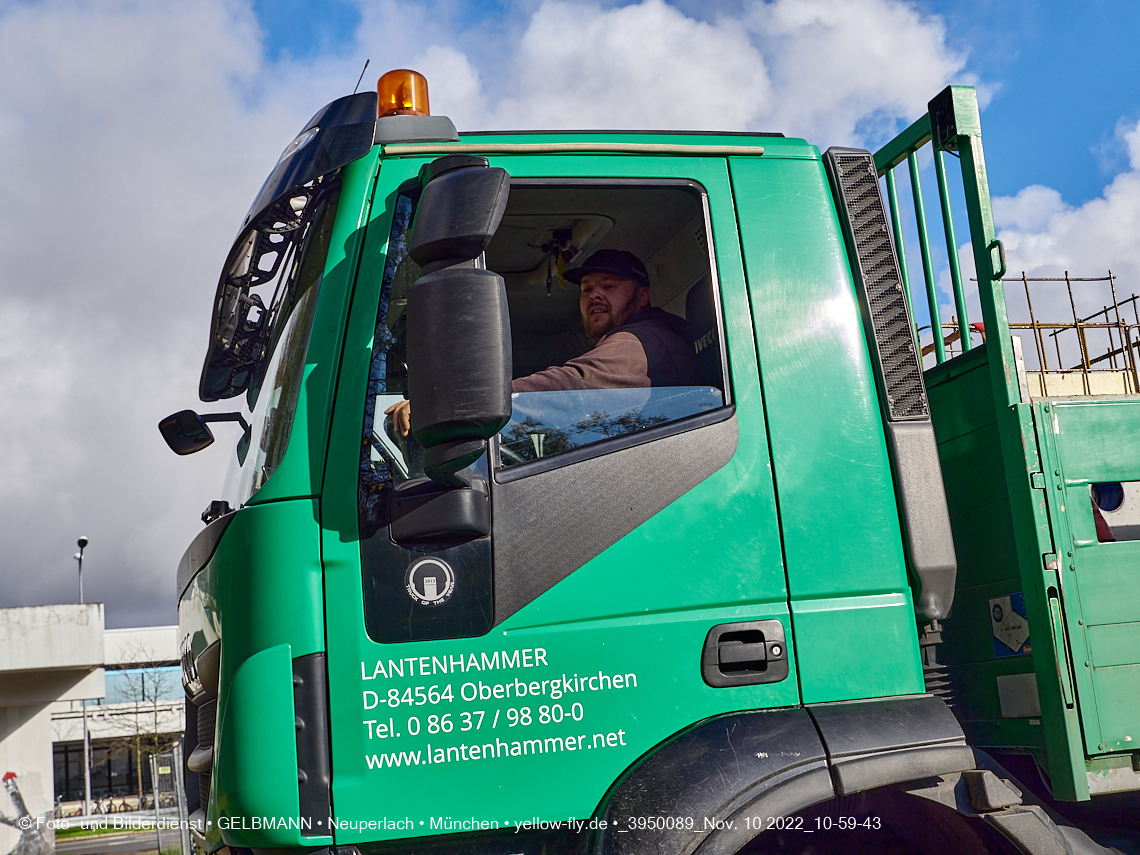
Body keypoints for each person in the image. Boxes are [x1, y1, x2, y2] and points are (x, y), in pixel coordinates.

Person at [386, 249, 701, 435]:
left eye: (609, 286)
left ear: (642, 296)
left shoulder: (643, 340)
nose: (594, 295)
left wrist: (455, 404)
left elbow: (574, 384)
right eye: (586, 289)